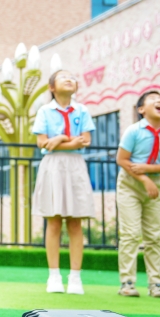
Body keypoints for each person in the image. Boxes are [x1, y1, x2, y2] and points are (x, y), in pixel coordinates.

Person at [31, 70, 95, 294]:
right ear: (51, 87)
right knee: (54, 221)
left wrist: (58, 139)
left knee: (75, 222)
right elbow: (42, 143)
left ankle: (75, 278)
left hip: (75, 165)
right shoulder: (44, 111)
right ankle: (54, 276)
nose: (69, 79)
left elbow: (85, 140)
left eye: (72, 76)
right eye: (63, 77)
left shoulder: (82, 110)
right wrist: (66, 140)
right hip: (53, 166)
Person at [115, 90, 160, 298]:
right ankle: (127, 282)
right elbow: (122, 160)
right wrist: (143, 178)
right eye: (153, 99)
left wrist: (147, 171)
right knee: (131, 234)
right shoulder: (133, 131)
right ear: (141, 109)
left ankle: (155, 284)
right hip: (130, 184)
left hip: (154, 186)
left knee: (153, 236)